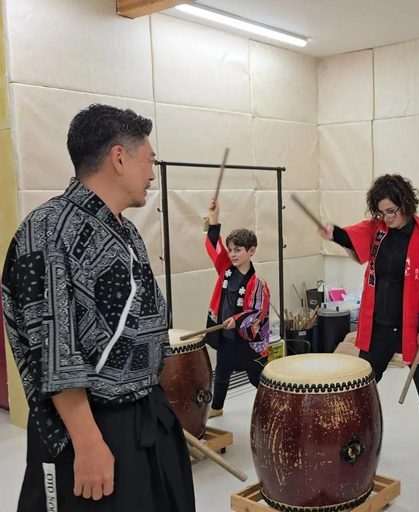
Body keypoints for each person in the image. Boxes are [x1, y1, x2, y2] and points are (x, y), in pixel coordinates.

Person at [1, 104, 195, 511]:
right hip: (91, 425)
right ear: (119, 158)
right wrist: (88, 443)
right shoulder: (47, 229)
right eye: (150, 160)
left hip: (143, 410)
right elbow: (53, 349)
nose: (152, 173)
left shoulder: (125, 230)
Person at [317, 174, 419, 483]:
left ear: (406, 204)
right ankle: (351, 447)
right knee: (362, 388)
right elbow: (353, 236)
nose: (387, 217)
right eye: (381, 212)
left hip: (414, 327)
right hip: (379, 326)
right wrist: (334, 234)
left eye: (392, 211)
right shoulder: (378, 230)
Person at [203, 199, 270, 418]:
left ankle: (272, 405)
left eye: (238, 250)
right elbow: (214, 246)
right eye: (231, 250)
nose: (232, 254)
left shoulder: (257, 282)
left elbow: (257, 311)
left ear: (251, 251)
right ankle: (217, 407)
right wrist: (214, 218)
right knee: (221, 373)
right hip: (226, 335)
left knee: (256, 376)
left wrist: (238, 320)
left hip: (246, 339)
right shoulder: (225, 268)